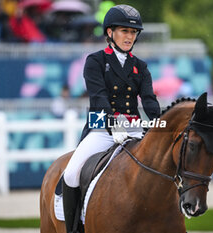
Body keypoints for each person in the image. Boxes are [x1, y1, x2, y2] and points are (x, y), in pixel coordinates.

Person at [60, 4, 161, 233]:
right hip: (101, 128)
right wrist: (114, 123)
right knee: (72, 172)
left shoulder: (141, 67)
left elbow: (149, 101)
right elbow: (99, 99)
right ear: (109, 33)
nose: (129, 36)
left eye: (133, 32)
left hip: (134, 128)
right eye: (124, 31)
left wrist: (160, 123)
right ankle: (74, 228)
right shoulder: (95, 61)